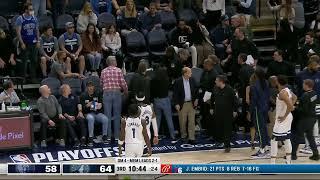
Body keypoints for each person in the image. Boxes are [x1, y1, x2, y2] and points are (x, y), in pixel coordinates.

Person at [270, 75, 297, 164]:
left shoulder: (282, 93)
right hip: (287, 117)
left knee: (273, 140)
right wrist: (288, 110)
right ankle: (288, 161)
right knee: (286, 138)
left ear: (278, 81)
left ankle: (272, 163)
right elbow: (295, 97)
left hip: (283, 119)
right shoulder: (287, 90)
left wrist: (285, 115)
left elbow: (290, 106)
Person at [101, 56, 128, 141]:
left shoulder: (103, 71)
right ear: (113, 62)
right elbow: (123, 83)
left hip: (106, 93)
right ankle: (116, 136)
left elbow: (101, 84)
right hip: (116, 93)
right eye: (115, 60)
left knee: (107, 116)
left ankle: (108, 136)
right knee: (117, 115)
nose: (116, 61)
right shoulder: (118, 70)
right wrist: (125, 92)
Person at [292, 79, 319, 161]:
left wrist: (295, 108)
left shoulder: (305, 95)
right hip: (313, 118)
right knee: (310, 137)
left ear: (307, 85)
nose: (303, 85)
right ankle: (316, 154)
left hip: (304, 119)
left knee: (296, 137)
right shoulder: (314, 93)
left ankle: (293, 155)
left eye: (303, 84)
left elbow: (303, 110)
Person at [211, 75, 238, 152]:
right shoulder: (215, 88)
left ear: (221, 81)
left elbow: (235, 101)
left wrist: (235, 111)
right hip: (217, 112)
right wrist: (211, 107)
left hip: (227, 113)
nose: (215, 82)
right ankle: (220, 141)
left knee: (227, 129)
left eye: (216, 80)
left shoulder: (230, 90)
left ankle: (227, 146)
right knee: (219, 128)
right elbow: (212, 98)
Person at [150, 65, 177, 143]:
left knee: (157, 120)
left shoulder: (153, 80)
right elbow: (170, 87)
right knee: (169, 118)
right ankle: (173, 136)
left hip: (156, 100)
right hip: (165, 100)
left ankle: (156, 137)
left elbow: (151, 91)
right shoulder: (166, 79)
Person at [15, 2, 40, 83]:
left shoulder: (34, 18)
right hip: (25, 43)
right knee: (24, 61)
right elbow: (18, 32)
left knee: (34, 60)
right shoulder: (20, 19)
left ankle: (33, 77)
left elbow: (36, 30)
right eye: (30, 9)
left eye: (32, 9)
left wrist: (38, 40)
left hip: (34, 42)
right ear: (26, 10)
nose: (32, 11)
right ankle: (23, 78)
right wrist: (21, 43)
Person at [173, 67, 198, 144]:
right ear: (185, 73)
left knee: (192, 121)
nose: (191, 73)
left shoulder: (192, 80)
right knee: (182, 121)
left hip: (191, 103)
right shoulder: (178, 81)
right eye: (190, 72)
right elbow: (175, 94)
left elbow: (197, 90)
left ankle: (191, 138)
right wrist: (176, 103)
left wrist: (196, 99)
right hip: (182, 104)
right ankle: (183, 136)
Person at [250, 68, 271, 158]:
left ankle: (262, 149)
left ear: (256, 75)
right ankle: (266, 148)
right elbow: (268, 96)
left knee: (259, 130)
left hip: (257, 109)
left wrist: (250, 111)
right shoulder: (266, 82)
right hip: (265, 108)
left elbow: (254, 100)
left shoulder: (254, 86)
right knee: (264, 128)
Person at [80, 81, 109, 146]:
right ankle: (90, 137)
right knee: (90, 118)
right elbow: (83, 108)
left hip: (97, 113)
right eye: (89, 86)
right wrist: (87, 106)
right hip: (88, 113)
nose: (90, 88)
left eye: (92, 86)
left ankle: (104, 136)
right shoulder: (83, 95)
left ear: (94, 87)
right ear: (86, 87)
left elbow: (100, 105)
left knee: (105, 119)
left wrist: (100, 105)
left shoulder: (98, 93)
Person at [199, 58, 218, 134]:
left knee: (209, 115)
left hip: (210, 97)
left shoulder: (214, 74)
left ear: (208, 65)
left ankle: (210, 132)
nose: (203, 65)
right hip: (204, 95)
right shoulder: (204, 71)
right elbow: (202, 81)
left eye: (204, 64)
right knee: (204, 113)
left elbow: (215, 87)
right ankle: (206, 130)